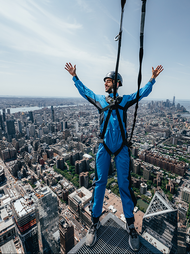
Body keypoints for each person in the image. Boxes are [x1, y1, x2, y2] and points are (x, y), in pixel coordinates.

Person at [65, 62, 163, 252]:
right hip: (104, 147)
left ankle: (130, 225)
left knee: (124, 185)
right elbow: (86, 92)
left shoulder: (124, 101)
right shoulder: (101, 101)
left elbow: (140, 94)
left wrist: (152, 79)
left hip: (121, 149)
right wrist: (75, 77)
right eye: (105, 81)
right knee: (99, 183)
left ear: (117, 83)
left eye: (108, 81)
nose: (105, 84)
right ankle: (95, 223)